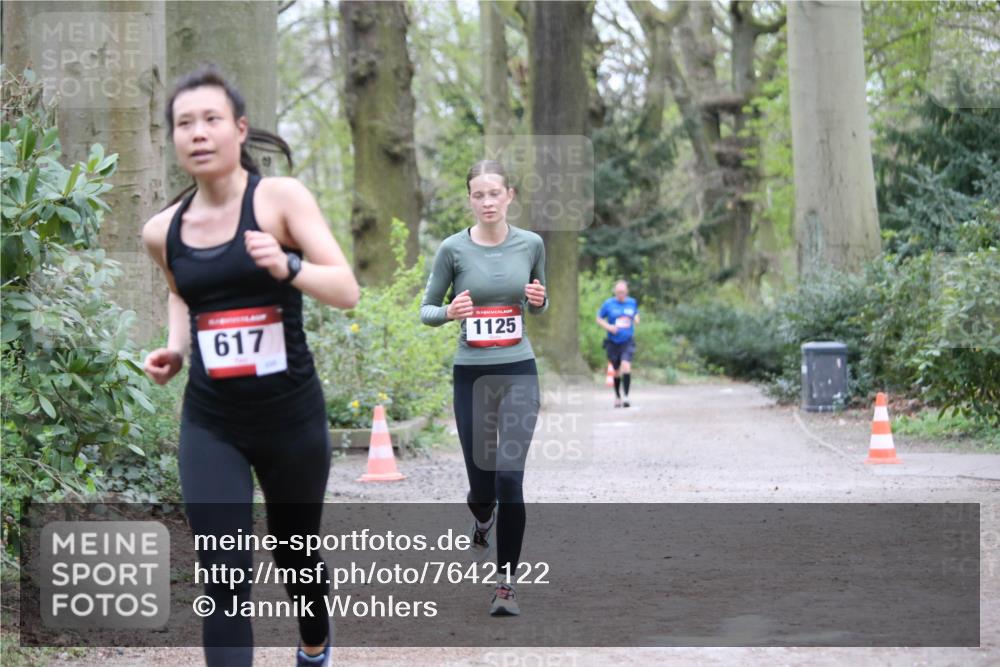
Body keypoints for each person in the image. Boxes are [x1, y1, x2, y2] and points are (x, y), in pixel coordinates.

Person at [141, 65, 359, 667]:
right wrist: (176, 349)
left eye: (211, 119)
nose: (198, 133)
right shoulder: (162, 231)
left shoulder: (280, 200)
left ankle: (314, 645)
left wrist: (288, 267)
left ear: (239, 130)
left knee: (295, 554)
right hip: (212, 422)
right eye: (184, 123)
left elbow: (346, 289)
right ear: (174, 140)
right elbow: (183, 291)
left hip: (291, 419)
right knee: (222, 571)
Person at [420, 159, 547, 616]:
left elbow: (537, 300)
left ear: (509, 195)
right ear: (470, 199)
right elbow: (426, 309)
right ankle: (482, 515)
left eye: (495, 193)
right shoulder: (452, 250)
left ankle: (506, 584)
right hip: (471, 374)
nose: (488, 201)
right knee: (482, 486)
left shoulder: (531, 243)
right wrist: (450, 313)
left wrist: (539, 300)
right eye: (479, 194)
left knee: (510, 476)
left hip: (518, 371)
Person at [597, 280, 639, 408]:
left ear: (627, 292)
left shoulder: (632, 302)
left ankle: (626, 396)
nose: (621, 294)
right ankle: (617, 397)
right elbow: (599, 318)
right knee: (616, 371)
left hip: (627, 341)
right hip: (613, 341)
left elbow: (636, 314)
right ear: (615, 292)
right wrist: (609, 327)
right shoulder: (608, 304)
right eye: (619, 292)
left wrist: (636, 319)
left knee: (626, 366)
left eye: (623, 292)